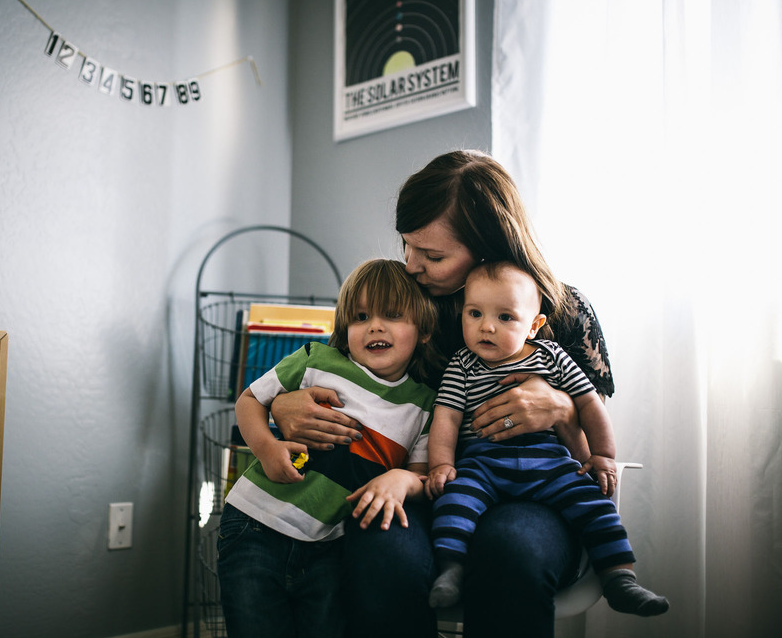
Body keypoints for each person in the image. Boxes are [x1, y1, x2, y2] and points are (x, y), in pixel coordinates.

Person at [269, 150, 629, 638]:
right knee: (380, 540)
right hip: (419, 482)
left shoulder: (562, 311)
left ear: (487, 247)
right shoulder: (405, 303)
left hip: (535, 491)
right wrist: (282, 404)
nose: (411, 265)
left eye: (433, 256)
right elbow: (329, 373)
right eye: (407, 246)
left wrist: (562, 409)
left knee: (511, 550)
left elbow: (593, 441)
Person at [425, 260, 668, 617]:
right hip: (483, 463)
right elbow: (446, 416)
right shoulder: (462, 365)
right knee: (454, 500)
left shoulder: (553, 357)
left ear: (534, 326)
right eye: (474, 313)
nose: (486, 326)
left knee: (595, 505)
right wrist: (442, 464)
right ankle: (451, 571)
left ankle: (619, 578)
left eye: (505, 317)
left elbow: (588, 405)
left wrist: (601, 454)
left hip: (550, 463)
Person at [217, 259, 443, 638]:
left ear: (423, 330)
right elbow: (249, 401)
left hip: (330, 547)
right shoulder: (315, 360)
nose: (374, 325)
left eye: (392, 314)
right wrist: (267, 448)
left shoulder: (424, 406)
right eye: (360, 316)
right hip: (254, 526)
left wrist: (401, 478)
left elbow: (421, 477)